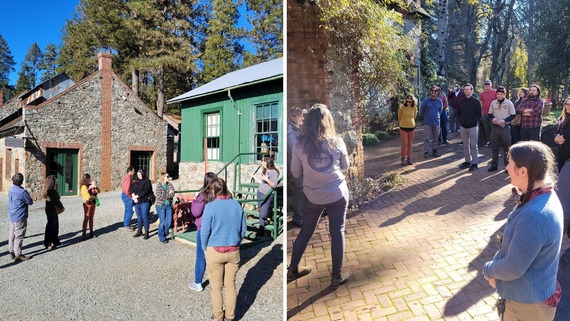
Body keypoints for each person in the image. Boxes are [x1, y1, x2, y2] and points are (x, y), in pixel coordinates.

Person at [483, 141, 563, 321]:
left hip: (527, 308)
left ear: (523, 171)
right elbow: (511, 244)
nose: (507, 168)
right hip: (531, 301)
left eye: (510, 163)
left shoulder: (534, 216)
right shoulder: (544, 194)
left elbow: (513, 268)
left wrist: (488, 270)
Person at [288, 103, 350, 289]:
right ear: (328, 121)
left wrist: (312, 172)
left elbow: (295, 172)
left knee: (306, 230)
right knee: (337, 232)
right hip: (336, 194)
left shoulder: (300, 145)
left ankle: (292, 269)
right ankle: (336, 275)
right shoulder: (337, 142)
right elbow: (345, 166)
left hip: (313, 196)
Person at [201, 178, 246, 321]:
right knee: (231, 285)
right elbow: (243, 229)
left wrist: (204, 248)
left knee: (216, 286)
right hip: (233, 250)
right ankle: (231, 316)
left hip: (214, 250)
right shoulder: (237, 205)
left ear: (213, 190)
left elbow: (205, 232)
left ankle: (218, 316)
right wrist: (236, 241)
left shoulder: (210, 207)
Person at [188, 172, 218, 292]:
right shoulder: (218, 194)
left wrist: (195, 200)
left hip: (203, 228)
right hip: (216, 228)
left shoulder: (203, 196)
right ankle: (217, 279)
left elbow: (196, 212)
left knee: (201, 255)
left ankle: (198, 282)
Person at [487, 86, 516, 172]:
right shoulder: (493, 103)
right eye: (498, 94)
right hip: (495, 128)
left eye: (501, 94)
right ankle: (494, 165)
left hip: (505, 128)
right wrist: (492, 118)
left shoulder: (509, 103)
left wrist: (504, 120)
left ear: (504, 94)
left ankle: (507, 166)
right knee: (494, 147)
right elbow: (489, 114)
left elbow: (513, 115)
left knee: (507, 147)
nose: (499, 96)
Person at [7, 173, 33, 262]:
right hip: (20, 215)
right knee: (19, 235)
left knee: (12, 234)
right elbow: (30, 202)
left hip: (11, 214)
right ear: (21, 181)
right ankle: (18, 254)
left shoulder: (11, 190)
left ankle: (11, 251)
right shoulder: (22, 192)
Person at [288, 107, 307, 227]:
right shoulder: (290, 130)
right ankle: (298, 217)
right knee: (299, 190)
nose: (302, 118)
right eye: (301, 116)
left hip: (300, 163)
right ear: (294, 117)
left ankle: (302, 215)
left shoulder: (297, 128)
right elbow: (294, 147)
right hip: (296, 164)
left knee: (302, 189)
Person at [252, 156, 280, 237]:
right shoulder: (266, 171)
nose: (262, 162)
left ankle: (268, 216)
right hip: (260, 192)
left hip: (267, 194)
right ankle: (261, 229)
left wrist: (266, 179)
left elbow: (274, 185)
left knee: (263, 214)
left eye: (263, 161)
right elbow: (262, 183)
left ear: (267, 162)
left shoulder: (273, 172)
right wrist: (255, 178)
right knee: (261, 210)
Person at [457, 83, 483, 171]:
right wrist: (461, 121)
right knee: (465, 145)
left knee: (473, 145)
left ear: (472, 91)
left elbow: (479, 114)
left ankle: (474, 163)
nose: (466, 91)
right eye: (465, 89)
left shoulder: (476, 102)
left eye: (468, 89)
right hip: (463, 127)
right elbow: (458, 113)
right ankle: (467, 161)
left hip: (473, 127)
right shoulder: (461, 101)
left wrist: (472, 121)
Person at [420, 86, 443, 158]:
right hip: (428, 123)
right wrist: (425, 118)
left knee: (435, 138)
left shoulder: (440, 101)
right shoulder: (425, 101)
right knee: (427, 138)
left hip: (436, 123)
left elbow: (440, 111)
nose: (433, 92)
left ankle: (434, 151)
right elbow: (422, 111)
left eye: (435, 91)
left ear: (437, 92)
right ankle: (426, 152)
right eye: (432, 91)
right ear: (430, 92)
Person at [42, 175, 64, 250]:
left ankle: (55, 241)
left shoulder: (47, 190)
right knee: (51, 227)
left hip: (49, 210)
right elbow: (56, 200)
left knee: (54, 225)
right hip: (52, 210)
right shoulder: (51, 191)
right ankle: (47, 243)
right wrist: (61, 207)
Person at [131, 169, 153, 239]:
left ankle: (146, 232)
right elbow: (132, 189)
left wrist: (136, 197)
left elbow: (145, 191)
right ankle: (139, 230)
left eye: (140, 174)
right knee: (139, 217)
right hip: (137, 202)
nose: (139, 176)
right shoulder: (136, 181)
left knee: (145, 217)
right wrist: (133, 196)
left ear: (143, 174)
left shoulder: (147, 181)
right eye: (138, 174)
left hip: (144, 201)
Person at [155, 172, 175, 244]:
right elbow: (159, 197)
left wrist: (165, 194)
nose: (168, 177)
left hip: (168, 206)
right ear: (163, 177)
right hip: (161, 206)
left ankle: (165, 232)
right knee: (162, 221)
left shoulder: (170, 185)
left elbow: (173, 193)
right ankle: (161, 237)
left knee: (169, 222)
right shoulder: (158, 186)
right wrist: (168, 194)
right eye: (167, 176)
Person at [398, 94, 418, 165]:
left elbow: (414, 116)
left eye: (410, 101)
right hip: (403, 126)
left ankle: (409, 159)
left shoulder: (414, 108)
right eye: (407, 101)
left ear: (412, 101)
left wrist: (411, 122)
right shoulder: (402, 107)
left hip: (411, 126)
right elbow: (399, 116)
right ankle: (402, 159)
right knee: (405, 143)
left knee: (410, 143)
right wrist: (401, 123)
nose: (408, 103)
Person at [479, 79, 496, 147]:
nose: (487, 85)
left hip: (493, 113)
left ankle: (494, 141)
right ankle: (489, 141)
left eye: (489, 84)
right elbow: (481, 103)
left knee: (493, 127)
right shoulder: (482, 93)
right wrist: (481, 112)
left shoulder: (495, 92)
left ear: (491, 85)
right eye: (486, 84)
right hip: (485, 113)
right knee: (486, 128)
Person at [554, 97, 570, 172]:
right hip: (563, 150)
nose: (568, 106)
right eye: (566, 104)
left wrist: (557, 139)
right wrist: (557, 137)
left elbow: (567, 134)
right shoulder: (563, 118)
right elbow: (558, 130)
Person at [80, 174, 98, 240]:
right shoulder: (83, 187)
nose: (90, 179)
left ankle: (91, 232)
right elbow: (88, 196)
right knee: (86, 218)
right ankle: (84, 233)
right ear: (87, 179)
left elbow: (98, 191)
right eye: (89, 178)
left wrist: (95, 187)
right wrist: (95, 197)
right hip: (87, 204)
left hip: (93, 203)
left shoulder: (89, 185)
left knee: (91, 218)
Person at [121, 167, 135, 231]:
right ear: (130, 171)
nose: (134, 172)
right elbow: (126, 189)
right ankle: (126, 225)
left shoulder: (126, 177)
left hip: (124, 195)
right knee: (130, 210)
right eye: (133, 170)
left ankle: (126, 223)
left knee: (127, 210)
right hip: (127, 196)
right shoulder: (128, 178)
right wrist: (131, 197)